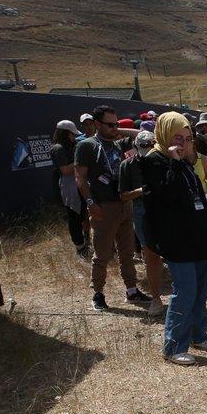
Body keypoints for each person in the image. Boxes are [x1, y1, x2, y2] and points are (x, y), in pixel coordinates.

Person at [140, 112, 207, 365]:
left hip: (196, 236)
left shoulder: (184, 161)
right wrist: (175, 161)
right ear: (164, 135)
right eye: (177, 138)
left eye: (187, 138)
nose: (183, 144)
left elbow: (196, 195)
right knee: (184, 290)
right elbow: (166, 195)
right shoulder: (155, 160)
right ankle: (173, 346)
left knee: (200, 287)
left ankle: (197, 334)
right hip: (177, 238)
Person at [74, 105, 150, 312]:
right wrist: (90, 203)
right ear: (97, 124)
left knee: (127, 253)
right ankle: (98, 293)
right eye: (109, 124)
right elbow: (80, 177)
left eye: (116, 123)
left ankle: (132, 290)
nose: (114, 127)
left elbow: (145, 135)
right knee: (102, 254)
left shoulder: (119, 143)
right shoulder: (87, 146)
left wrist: (118, 129)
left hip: (125, 203)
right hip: (103, 206)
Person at [117, 131, 166, 317]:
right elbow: (123, 195)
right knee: (151, 255)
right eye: (143, 146)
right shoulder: (127, 165)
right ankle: (156, 299)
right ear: (136, 147)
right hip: (141, 211)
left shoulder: (161, 160)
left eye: (149, 146)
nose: (146, 150)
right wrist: (140, 191)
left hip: (163, 209)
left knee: (173, 254)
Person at [50, 119, 89, 256]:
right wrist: (79, 161)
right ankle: (79, 245)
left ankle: (86, 239)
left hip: (80, 181)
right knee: (74, 216)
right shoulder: (58, 148)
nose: (74, 137)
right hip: (69, 186)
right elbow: (65, 170)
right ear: (65, 134)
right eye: (72, 135)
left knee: (84, 213)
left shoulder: (74, 144)